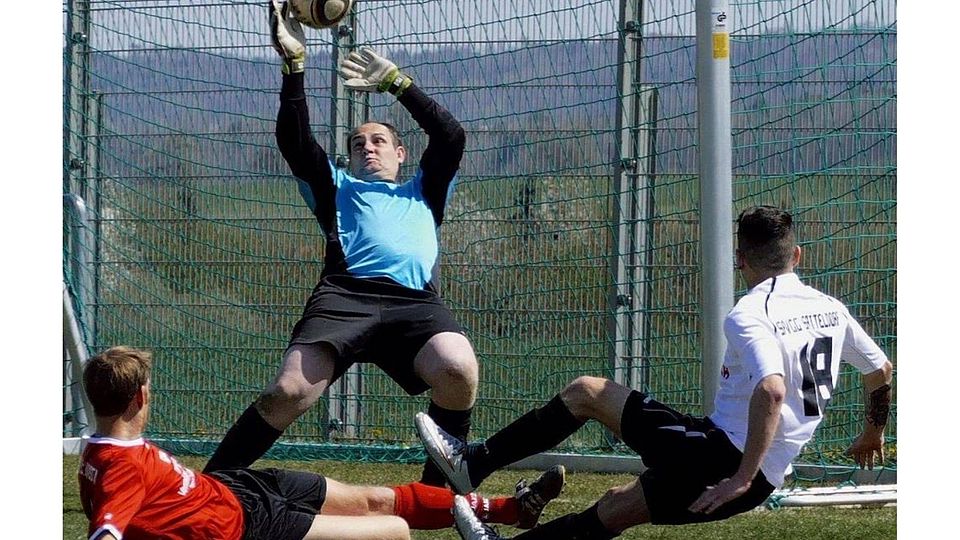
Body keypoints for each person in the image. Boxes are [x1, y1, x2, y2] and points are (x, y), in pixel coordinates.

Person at [416, 206, 894, 539]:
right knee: (615, 509)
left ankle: (471, 464)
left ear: (740, 260)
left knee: (587, 393)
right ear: (797, 257)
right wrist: (873, 432)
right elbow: (880, 370)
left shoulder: (751, 311)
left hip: (726, 461)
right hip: (751, 469)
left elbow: (771, 390)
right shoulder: (831, 308)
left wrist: (741, 476)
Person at [205, 0, 479, 487]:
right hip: (343, 297)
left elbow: (451, 135)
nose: (367, 147)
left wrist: (396, 82)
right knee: (288, 392)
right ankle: (209, 485)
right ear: (348, 157)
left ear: (400, 153)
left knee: (458, 369)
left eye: (378, 141)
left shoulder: (425, 189)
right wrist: (294, 66)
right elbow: (293, 140)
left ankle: (437, 495)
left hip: (415, 303)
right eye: (357, 143)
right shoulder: (333, 186)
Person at [78, 346, 566, 540]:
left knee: (375, 498)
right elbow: (107, 530)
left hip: (240, 488)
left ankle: (510, 509)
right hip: (250, 528)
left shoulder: (102, 450)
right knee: (393, 530)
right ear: (142, 396)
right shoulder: (116, 466)